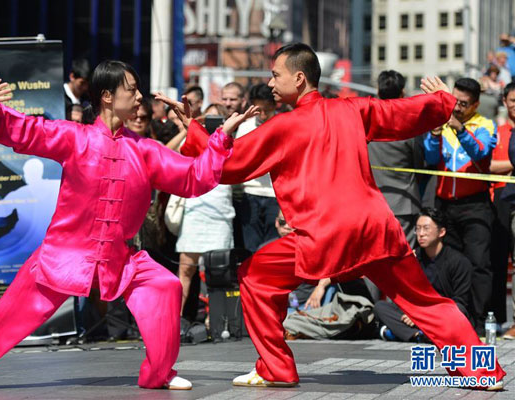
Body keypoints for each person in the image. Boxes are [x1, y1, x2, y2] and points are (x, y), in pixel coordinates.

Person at [161, 42, 505, 389]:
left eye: (275, 74)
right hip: (374, 229)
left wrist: (193, 130)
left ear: (298, 78)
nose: (271, 81)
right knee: (425, 302)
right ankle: (484, 372)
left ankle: (276, 368)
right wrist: (442, 102)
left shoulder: (283, 126)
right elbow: (400, 113)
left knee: (255, 277)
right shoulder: (350, 109)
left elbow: (231, 164)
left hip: (324, 237)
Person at [0, 61, 257, 392]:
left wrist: (220, 139)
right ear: (107, 96)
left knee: (165, 287)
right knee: (8, 315)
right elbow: (26, 131)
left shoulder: (144, 151)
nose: (140, 97)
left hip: (120, 258)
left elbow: (192, 178)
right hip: (64, 253)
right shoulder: (74, 137)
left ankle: (160, 373)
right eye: (132, 89)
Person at [423, 78, 497, 335]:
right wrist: (434, 133)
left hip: (474, 205)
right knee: (448, 262)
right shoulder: (443, 121)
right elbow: (430, 158)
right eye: (455, 102)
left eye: (463, 104)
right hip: (444, 205)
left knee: (478, 265)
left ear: (475, 104)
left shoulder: (485, 124)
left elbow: (481, 152)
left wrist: (460, 129)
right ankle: (449, 320)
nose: (457, 108)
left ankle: (478, 323)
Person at [375, 208, 472, 342]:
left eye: (426, 228)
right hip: (417, 312)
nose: (421, 234)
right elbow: (405, 295)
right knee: (381, 307)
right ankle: (419, 335)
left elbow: (459, 301)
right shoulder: (414, 258)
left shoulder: (458, 261)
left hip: (441, 313)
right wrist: (407, 267)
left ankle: (403, 333)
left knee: (459, 311)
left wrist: (422, 317)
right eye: (418, 229)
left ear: (441, 232)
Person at [176, 104, 236, 316]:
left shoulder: (232, 144)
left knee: (218, 272)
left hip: (220, 214)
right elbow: (176, 158)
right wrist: (192, 128)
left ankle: (219, 321)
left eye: (217, 119)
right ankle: (176, 319)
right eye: (207, 118)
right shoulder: (190, 140)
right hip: (195, 210)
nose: (211, 123)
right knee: (185, 269)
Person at [368, 70, 423, 247]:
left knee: (374, 257)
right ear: (402, 93)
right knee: (404, 258)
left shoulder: (366, 123)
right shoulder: (409, 125)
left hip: (372, 202)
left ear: (378, 91)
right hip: (404, 204)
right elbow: (419, 163)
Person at [235, 83, 280, 252]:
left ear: (275, 105)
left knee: (273, 243)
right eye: (258, 109)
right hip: (250, 192)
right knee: (251, 244)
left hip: (275, 193)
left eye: (266, 110)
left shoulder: (282, 124)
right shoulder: (245, 127)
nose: (262, 114)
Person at [493, 82, 515, 337]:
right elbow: (487, 165)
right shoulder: (497, 131)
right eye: (511, 100)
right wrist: (510, 163)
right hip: (498, 196)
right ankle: (497, 319)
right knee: (497, 260)